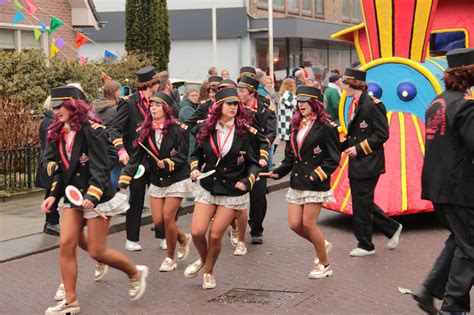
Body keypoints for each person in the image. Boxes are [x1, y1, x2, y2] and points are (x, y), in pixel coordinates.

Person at [41, 86, 148, 314]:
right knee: (67, 244)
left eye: (60, 106)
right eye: (55, 106)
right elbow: (60, 170)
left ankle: (134, 272)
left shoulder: (94, 131)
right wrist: (52, 195)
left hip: (96, 197)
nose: (56, 110)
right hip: (72, 196)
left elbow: (101, 167)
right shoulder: (57, 132)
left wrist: (92, 195)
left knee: (97, 252)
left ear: (73, 105)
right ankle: (71, 301)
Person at [412, 48, 474, 315]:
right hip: (459, 186)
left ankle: (428, 289)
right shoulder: (465, 105)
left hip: (436, 184)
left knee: (459, 240)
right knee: (470, 246)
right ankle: (452, 306)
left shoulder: (437, 101)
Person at [184, 87, 260, 289]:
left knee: (216, 234)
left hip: (232, 190)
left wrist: (248, 180)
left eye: (236, 104)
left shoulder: (245, 132)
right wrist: (194, 170)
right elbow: (195, 155)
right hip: (208, 186)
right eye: (229, 103)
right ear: (219, 106)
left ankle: (208, 271)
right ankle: (203, 259)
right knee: (198, 232)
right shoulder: (206, 129)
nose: (233, 107)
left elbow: (254, 163)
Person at [269, 86, 340, 279]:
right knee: (294, 224)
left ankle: (325, 265)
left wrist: (316, 176)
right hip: (298, 180)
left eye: (305, 101)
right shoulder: (295, 125)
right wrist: (277, 172)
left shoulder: (327, 126)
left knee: (308, 224)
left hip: (316, 182)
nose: (301, 105)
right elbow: (290, 158)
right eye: (299, 101)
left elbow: (333, 158)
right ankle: (321, 244)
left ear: (315, 103)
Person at [119, 91, 193, 272]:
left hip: (176, 178)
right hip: (157, 180)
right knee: (159, 221)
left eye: (157, 105)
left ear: (166, 108)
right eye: (151, 105)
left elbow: (184, 156)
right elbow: (135, 158)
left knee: (168, 217)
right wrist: (124, 179)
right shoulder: (145, 131)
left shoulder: (179, 129)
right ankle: (183, 238)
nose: (153, 108)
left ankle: (170, 258)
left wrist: (168, 162)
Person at [340, 68, 402, 257]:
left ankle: (366, 245)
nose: (343, 87)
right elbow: (354, 134)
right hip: (360, 162)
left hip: (368, 162)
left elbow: (382, 135)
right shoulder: (356, 103)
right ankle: (391, 228)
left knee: (361, 203)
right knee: (363, 201)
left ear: (354, 83)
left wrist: (358, 149)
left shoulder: (373, 104)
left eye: (345, 83)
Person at [109, 66, 165, 251]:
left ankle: (162, 236)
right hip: (137, 161)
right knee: (137, 198)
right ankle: (131, 239)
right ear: (153, 83)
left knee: (160, 198)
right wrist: (121, 151)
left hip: (157, 159)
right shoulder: (129, 103)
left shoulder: (159, 101)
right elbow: (114, 129)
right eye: (157, 83)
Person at [237, 72, 277, 244]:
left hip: (259, 155)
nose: (238, 92)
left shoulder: (265, 106)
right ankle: (234, 227)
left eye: (242, 89)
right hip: (237, 156)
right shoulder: (233, 105)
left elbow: (271, 131)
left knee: (258, 195)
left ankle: (256, 229)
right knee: (235, 194)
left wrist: (263, 146)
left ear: (251, 92)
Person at [36, 96, 61, 236]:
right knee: (53, 191)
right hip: (51, 161)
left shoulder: (49, 119)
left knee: (52, 191)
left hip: (49, 160)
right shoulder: (51, 121)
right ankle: (52, 222)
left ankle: (51, 222)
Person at [92, 80, 122, 190]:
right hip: (113, 143)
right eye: (119, 90)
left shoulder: (96, 107)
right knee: (116, 170)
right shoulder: (116, 109)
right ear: (114, 92)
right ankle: (111, 194)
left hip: (99, 143)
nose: (120, 93)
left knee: (105, 171)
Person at [179, 87, 200, 162]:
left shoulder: (193, 107)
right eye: (192, 95)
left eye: (196, 95)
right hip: (190, 143)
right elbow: (195, 128)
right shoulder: (186, 109)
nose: (195, 97)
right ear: (187, 96)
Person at [277, 78, 297, 144]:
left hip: (284, 123)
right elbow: (296, 105)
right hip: (288, 124)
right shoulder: (288, 95)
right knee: (290, 146)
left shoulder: (284, 95)